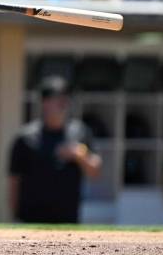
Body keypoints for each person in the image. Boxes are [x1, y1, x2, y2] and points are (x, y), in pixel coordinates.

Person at [8, 75, 102, 223]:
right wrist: (14, 217)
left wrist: (78, 155)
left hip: (67, 221)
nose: (63, 103)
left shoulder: (80, 132)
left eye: (66, 98)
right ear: (45, 102)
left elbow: (95, 171)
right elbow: (14, 181)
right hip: (30, 221)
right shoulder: (25, 137)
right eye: (57, 98)